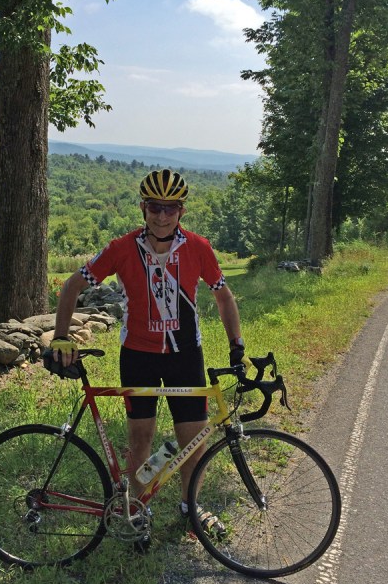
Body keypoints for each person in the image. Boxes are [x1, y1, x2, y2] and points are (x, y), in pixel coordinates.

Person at [51, 168, 245, 539]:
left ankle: (192, 508)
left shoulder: (199, 248)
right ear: (143, 208)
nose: (162, 215)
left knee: (193, 438)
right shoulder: (121, 248)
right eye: (155, 207)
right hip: (138, 354)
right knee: (140, 438)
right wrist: (61, 337)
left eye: (170, 208)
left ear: (181, 212)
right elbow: (72, 286)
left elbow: (224, 297)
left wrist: (237, 346)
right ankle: (138, 508)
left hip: (185, 354)